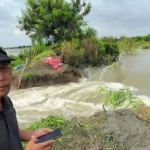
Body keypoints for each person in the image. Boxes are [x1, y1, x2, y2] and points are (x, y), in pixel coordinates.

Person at [0, 46, 55, 150]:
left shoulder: (6, 101)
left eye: (4, 68)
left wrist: (32, 134)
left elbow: (9, 129)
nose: (1, 77)